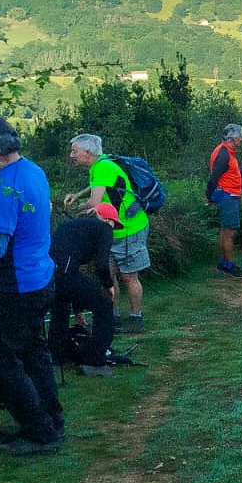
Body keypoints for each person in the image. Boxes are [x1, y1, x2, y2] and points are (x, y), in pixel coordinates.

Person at [0, 114, 61, 456]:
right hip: (38, 278)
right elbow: (2, 207)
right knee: (34, 354)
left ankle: (39, 433)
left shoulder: (5, 185)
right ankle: (52, 421)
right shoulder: (31, 171)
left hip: (10, 286)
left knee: (1, 361)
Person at [65, 134, 150, 333]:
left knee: (129, 276)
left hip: (129, 229)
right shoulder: (99, 165)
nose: (71, 155)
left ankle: (136, 319)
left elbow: (94, 203)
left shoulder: (103, 166)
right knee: (109, 275)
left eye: (74, 151)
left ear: (87, 152)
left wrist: (77, 207)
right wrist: (78, 195)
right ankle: (113, 317)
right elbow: (98, 185)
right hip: (110, 231)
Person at [48, 202, 121, 376]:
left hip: (49, 273)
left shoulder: (75, 225)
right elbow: (101, 264)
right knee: (104, 306)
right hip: (66, 272)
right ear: (107, 219)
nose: (113, 228)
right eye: (114, 223)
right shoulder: (104, 229)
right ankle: (95, 360)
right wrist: (109, 286)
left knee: (60, 308)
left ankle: (58, 356)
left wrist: (78, 309)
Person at [207, 124, 242, 277]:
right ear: (233, 138)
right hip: (228, 196)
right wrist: (209, 196)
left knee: (225, 231)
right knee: (229, 232)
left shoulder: (225, 151)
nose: (241, 139)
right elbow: (213, 178)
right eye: (240, 136)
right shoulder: (223, 154)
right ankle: (229, 265)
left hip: (229, 195)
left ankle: (223, 262)